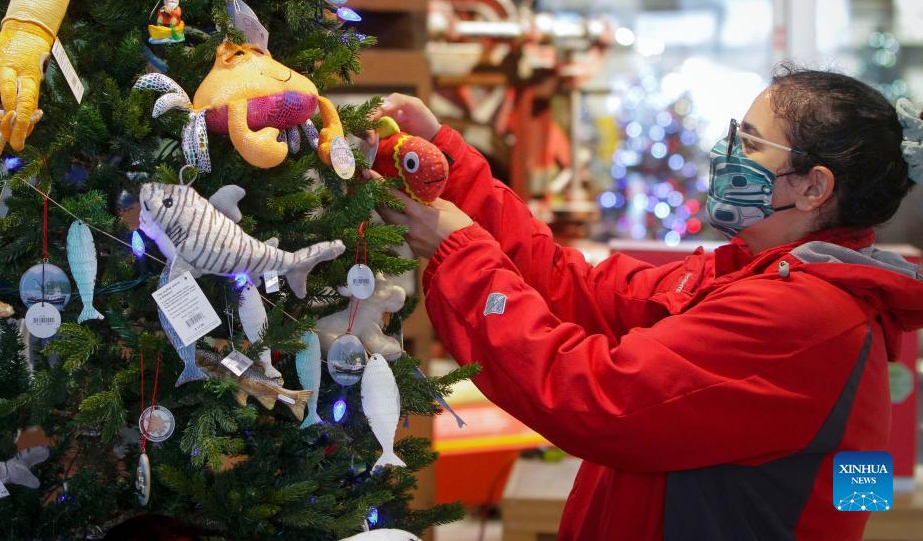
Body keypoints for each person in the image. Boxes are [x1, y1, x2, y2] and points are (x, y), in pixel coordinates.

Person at [369, 65, 923, 541]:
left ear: (812, 187)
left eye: (750, 142)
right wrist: (447, 161)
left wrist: (457, 250)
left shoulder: (802, 316)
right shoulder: (749, 274)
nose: (726, 152)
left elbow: (592, 392)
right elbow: (576, 289)